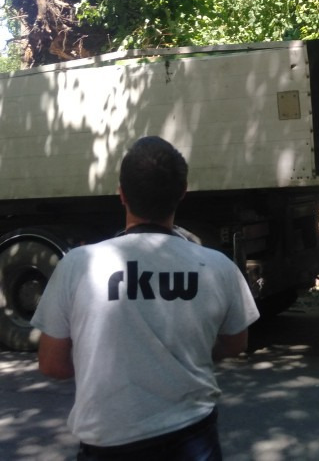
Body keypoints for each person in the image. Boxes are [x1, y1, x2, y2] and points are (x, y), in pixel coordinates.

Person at [32, 136, 260, 461]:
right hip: (193, 438)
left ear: (121, 194)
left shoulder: (77, 266)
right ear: (182, 193)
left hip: (108, 443)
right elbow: (236, 343)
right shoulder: (217, 267)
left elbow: (52, 364)